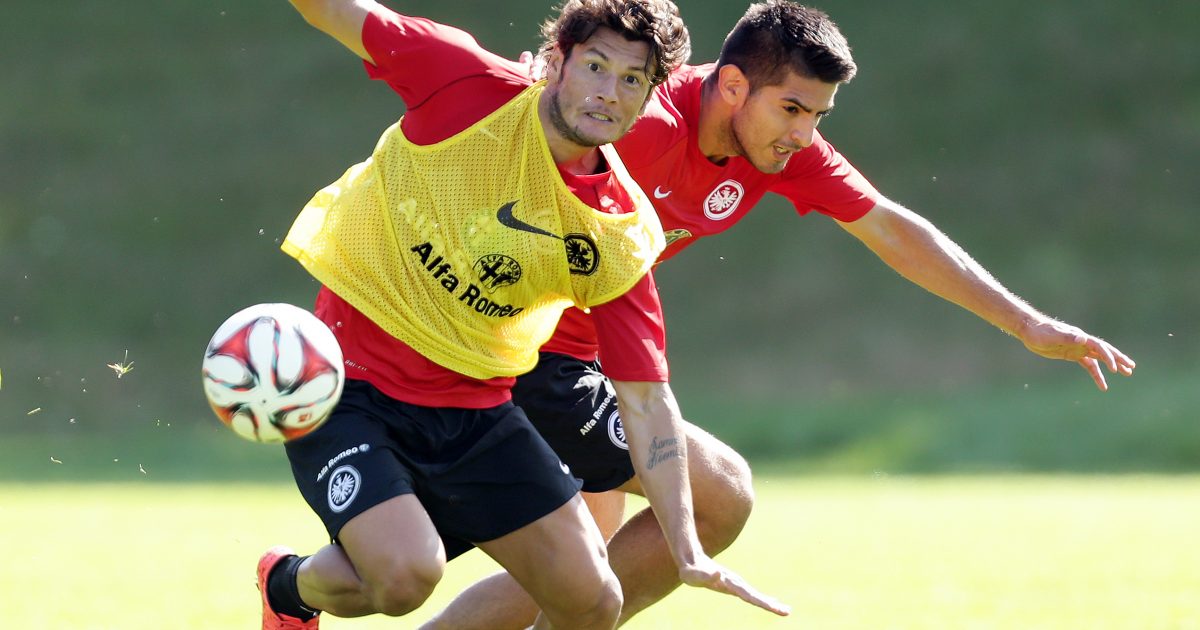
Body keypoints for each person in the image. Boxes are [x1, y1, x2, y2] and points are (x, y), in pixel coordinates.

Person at [424, 1, 1138, 628]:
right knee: (719, 494)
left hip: (579, 361)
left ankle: (307, 600)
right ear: (733, 86)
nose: (804, 133)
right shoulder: (639, 119)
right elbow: (516, 131)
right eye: (792, 109)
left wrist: (1027, 324)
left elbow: (892, 228)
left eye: (818, 116)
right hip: (514, 348)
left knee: (582, 566)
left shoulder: (778, 149)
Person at [256, 0, 790, 628]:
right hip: (345, 380)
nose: (607, 94)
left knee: (593, 602)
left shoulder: (617, 229)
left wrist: (686, 545)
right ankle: (287, 588)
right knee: (403, 578)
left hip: (474, 407)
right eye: (594, 66)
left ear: (649, 98)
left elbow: (647, 401)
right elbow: (335, 12)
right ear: (555, 61)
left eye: (631, 80)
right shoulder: (465, 81)